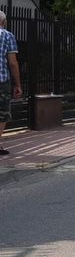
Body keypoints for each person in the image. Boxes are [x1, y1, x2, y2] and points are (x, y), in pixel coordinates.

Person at [0, 11, 22, 155]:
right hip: (1, 81)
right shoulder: (7, 35)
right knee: (2, 113)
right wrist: (17, 84)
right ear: (4, 21)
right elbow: (12, 63)